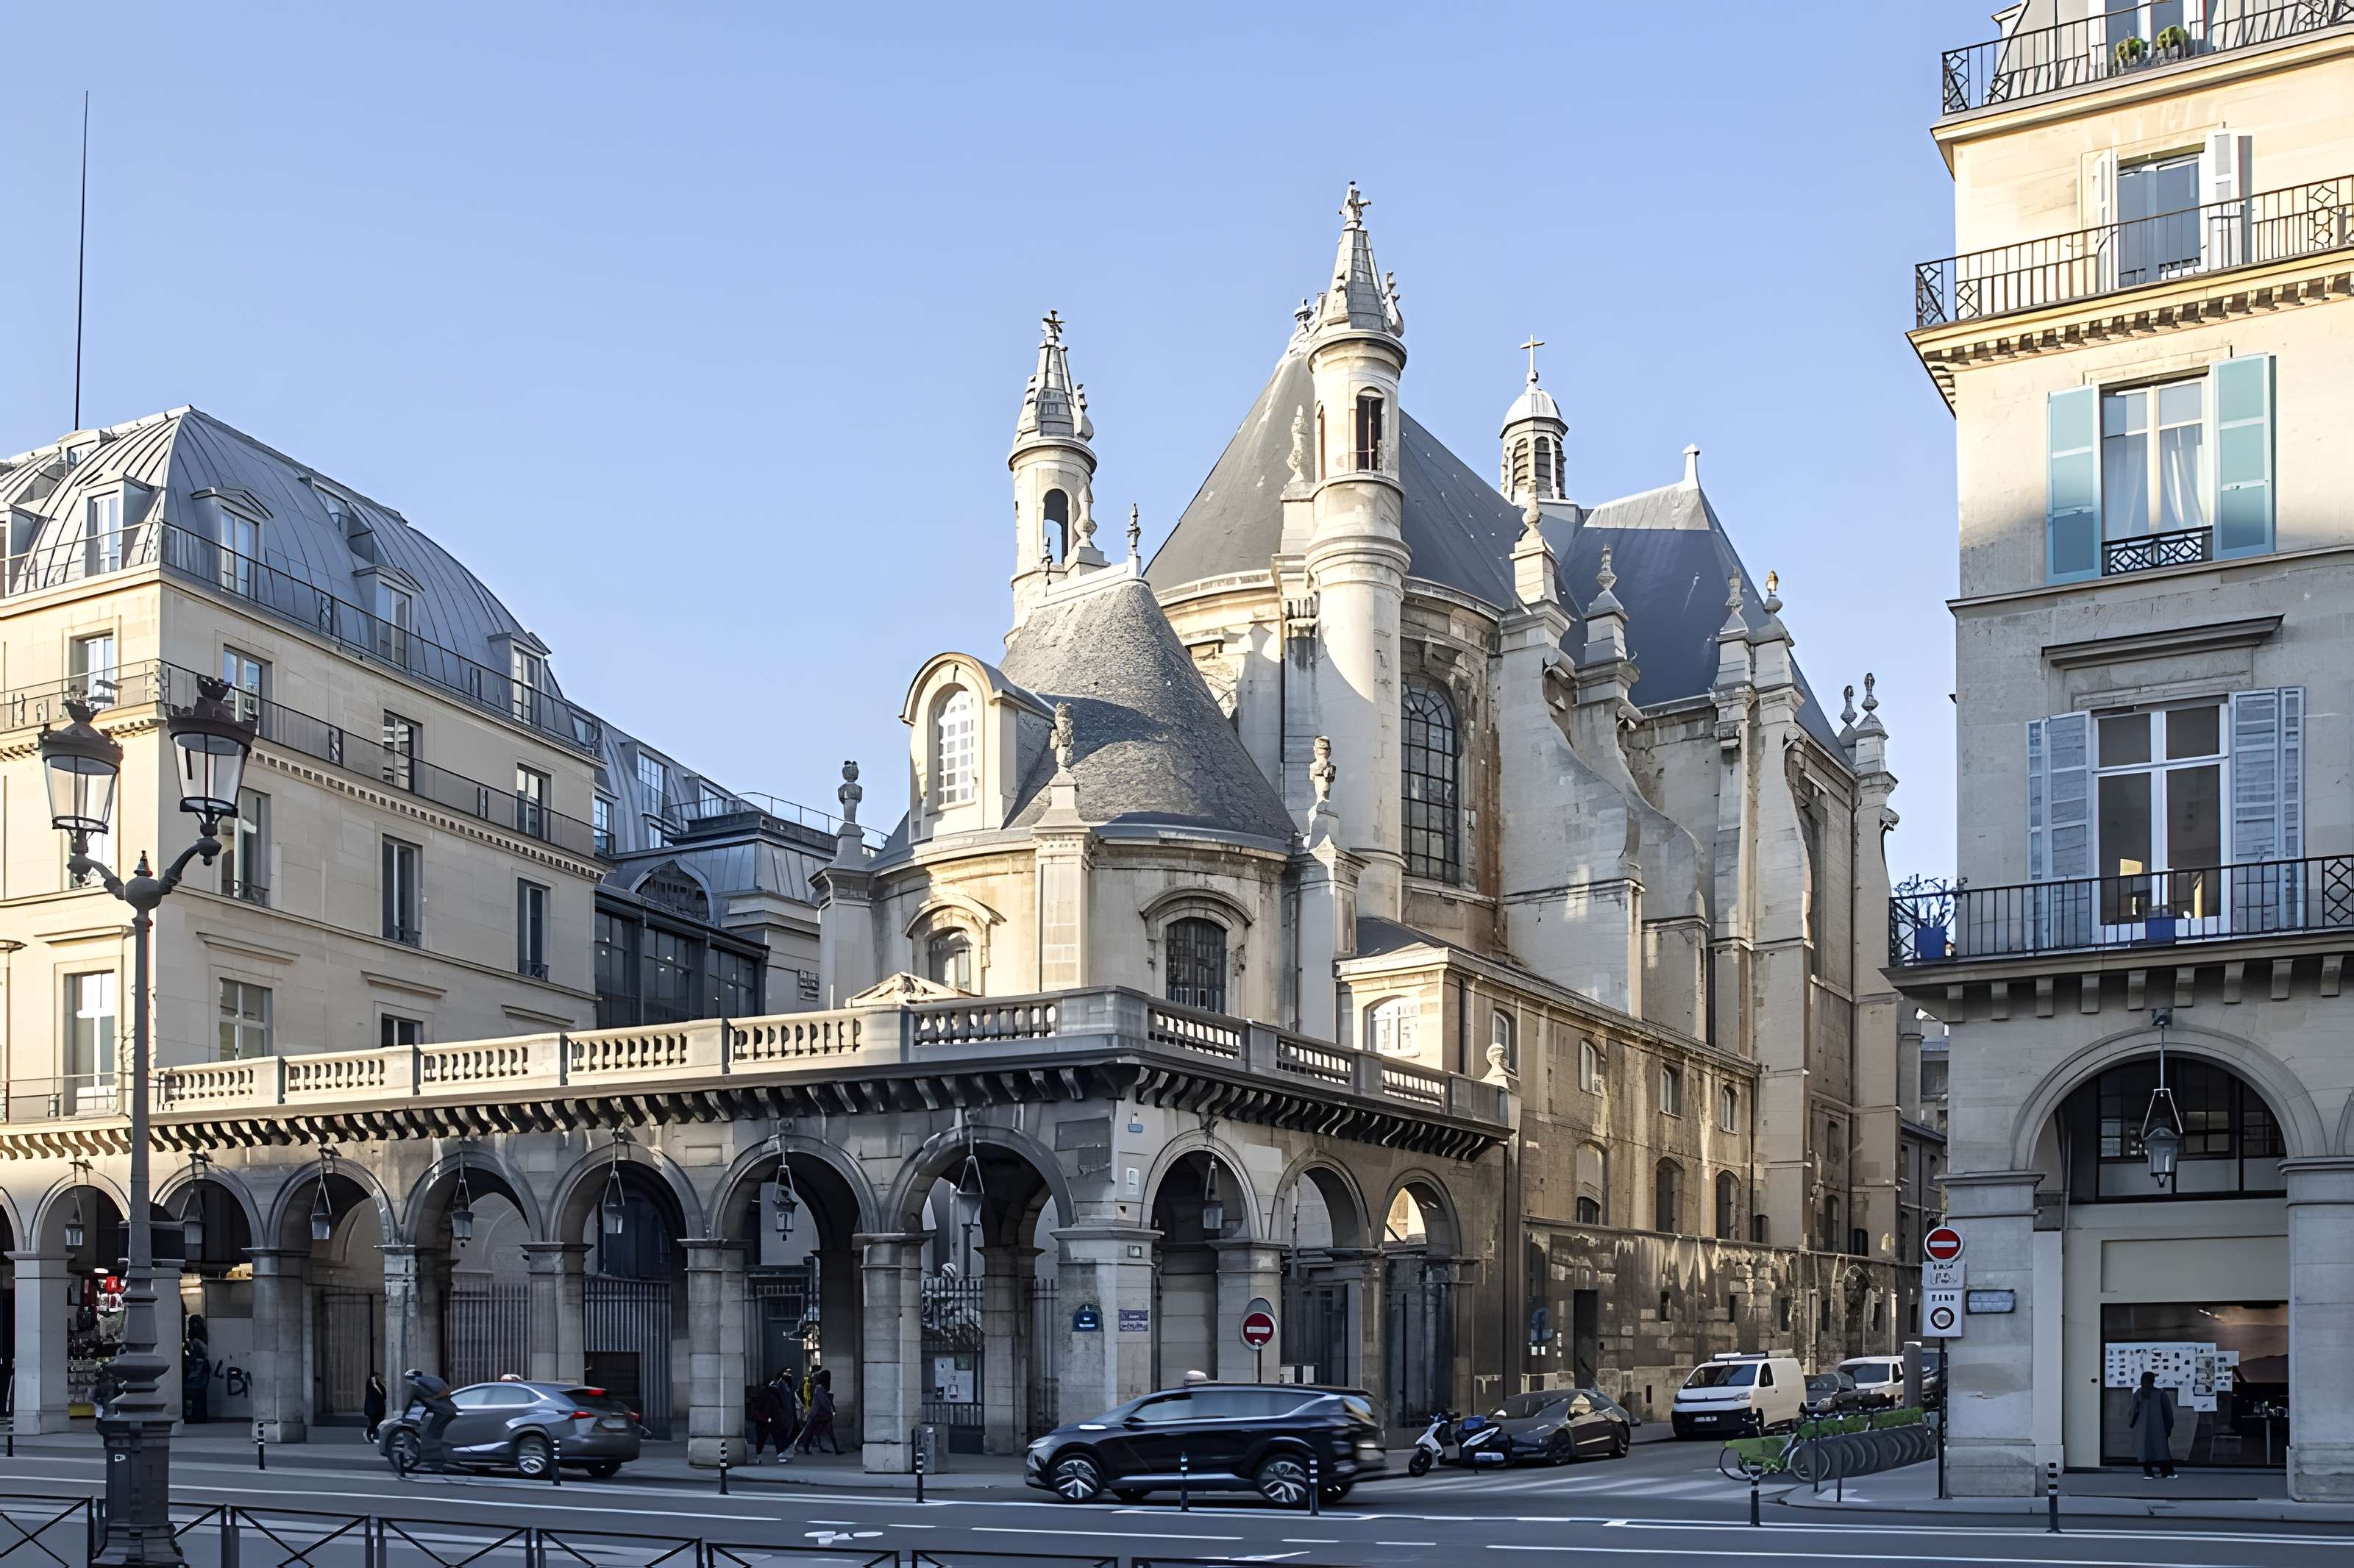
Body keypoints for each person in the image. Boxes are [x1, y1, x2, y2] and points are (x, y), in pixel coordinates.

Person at [406, 1369, 458, 1472]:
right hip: (450, 1410)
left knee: (430, 1436)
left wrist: (412, 1420)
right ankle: (439, 1461)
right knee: (437, 1436)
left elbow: (420, 1404)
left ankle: (433, 1463)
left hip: (442, 1412)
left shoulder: (418, 1385)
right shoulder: (432, 1380)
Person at [2128, 1369, 2177, 1480]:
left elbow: (2133, 1411)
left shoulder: (2138, 1394)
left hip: (2142, 1429)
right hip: (2159, 1429)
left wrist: (2132, 1425)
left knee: (2145, 1450)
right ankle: (2168, 1473)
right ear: (2153, 1381)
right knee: (2161, 1450)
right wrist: (2168, 1429)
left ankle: (2148, 1473)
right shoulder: (2160, 1394)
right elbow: (2168, 1414)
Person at [797, 1368, 839, 1455]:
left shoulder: (819, 1388)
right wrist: (830, 1410)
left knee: (812, 1431)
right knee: (811, 1432)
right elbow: (824, 1402)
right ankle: (806, 1448)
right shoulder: (819, 1389)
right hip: (817, 1414)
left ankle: (807, 1449)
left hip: (819, 1414)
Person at [182, 1318, 212, 1424]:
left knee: (195, 1397)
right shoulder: (198, 1344)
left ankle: (196, 1416)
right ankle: (200, 1416)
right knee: (199, 1397)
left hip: (196, 1375)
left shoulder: (194, 1344)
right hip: (199, 1376)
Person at [745, 1378, 783, 1461]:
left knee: (761, 1439)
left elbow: (754, 1410)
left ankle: (759, 1457)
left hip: (762, 1420)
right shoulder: (773, 1396)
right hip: (770, 1420)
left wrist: (760, 1417)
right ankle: (779, 1456)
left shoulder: (759, 1396)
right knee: (777, 1438)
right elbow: (778, 1408)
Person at [363, 1372, 388, 1443]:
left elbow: (383, 1393)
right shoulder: (370, 1383)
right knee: (374, 1423)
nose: (378, 1378)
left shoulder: (379, 1384)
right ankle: (369, 1433)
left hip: (379, 1409)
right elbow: (372, 1395)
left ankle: (374, 1436)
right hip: (372, 1409)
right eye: (376, 1376)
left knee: (378, 1423)